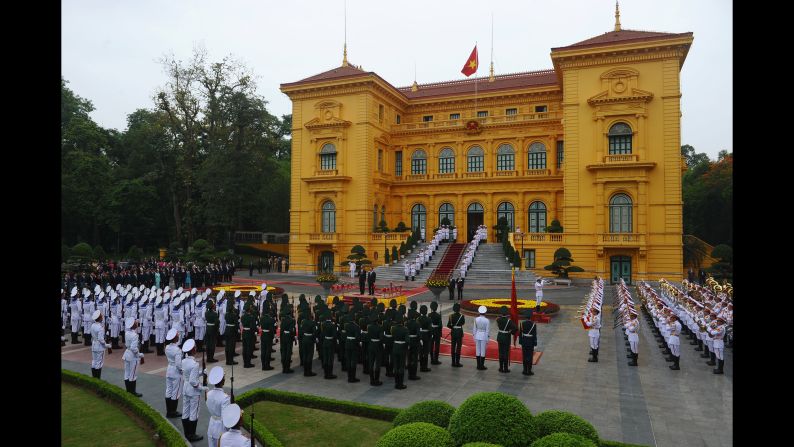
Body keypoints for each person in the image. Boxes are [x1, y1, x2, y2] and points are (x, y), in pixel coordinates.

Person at [180, 338, 207, 442]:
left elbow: (189, 374)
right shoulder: (194, 364)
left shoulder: (184, 361)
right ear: (192, 350)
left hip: (185, 388)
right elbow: (193, 381)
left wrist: (201, 373)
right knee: (194, 413)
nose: (196, 348)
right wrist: (202, 388)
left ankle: (187, 433)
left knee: (185, 411)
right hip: (193, 390)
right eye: (195, 347)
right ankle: (192, 434)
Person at [206, 366, 231, 447]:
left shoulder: (209, 394)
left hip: (211, 425)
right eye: (223, 378)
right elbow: (225, 418)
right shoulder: (225, 398)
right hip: (220, 429)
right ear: (222, 381)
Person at [122, 317, 144, 397]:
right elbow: (134, 348)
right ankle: (132, 392)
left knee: (127, 373)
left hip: (127, 354)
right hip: (132, 356)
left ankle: (128, 391)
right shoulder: (135, 335)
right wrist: (139, 355)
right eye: (135, 322)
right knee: (133, 374)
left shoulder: (127, 333)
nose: (137, 323)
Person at [164, 328, 183, 418]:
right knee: (175, 392)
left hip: (169, 369)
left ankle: (169, 411)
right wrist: (183, 371)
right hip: (175, 371)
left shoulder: (167, 347)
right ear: (175, 338)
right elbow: (179, 365)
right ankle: (173, 412)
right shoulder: (177, 350)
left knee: (169, 390)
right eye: (177, 335)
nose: (178, 336)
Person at [90, 310, 112, 379]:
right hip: (99, 346)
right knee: (99, 363)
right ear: (99, 318)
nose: (102, 317)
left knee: (94, 361)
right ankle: (97, 378)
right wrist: (107, 345)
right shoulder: (100, 327)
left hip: (94, 344)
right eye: (101, 316)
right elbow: (101, 340)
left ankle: (94, 378)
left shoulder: (93, 325)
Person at [495, 306, 517, 373]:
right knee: (506, 353)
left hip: (500, 337)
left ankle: (501, 368)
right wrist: (511, 332)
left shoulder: (498, 319)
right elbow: (516, 328)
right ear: (506, 313)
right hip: (506, 337)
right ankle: (505, 368)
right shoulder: (509, 321)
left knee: (500, 352)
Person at [390, 314, 408, 389]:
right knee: (401, 366)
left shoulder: (393, 328)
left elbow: (392, 337)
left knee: (396, 366)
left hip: (395, 347)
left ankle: (396, 383)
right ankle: (400, 384)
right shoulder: (405, 329)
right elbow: (407, 341)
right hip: (402, 348)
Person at [518, 309, 537, 375]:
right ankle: (529, 370)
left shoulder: (522, 324)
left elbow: (520, 334)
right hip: (531, 341)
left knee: (524, 355)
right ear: (531, 316)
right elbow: (534, 335)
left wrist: (520, 341)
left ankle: (524, 370)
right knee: (530, 356)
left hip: (524, 341)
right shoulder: (533, 324)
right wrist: (535, 343)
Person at [260, 295, 276, 371]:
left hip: (263, 334)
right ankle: (267, 365)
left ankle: (263, 365)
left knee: (263, 350)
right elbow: (272, 328)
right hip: (268, 335)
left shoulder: (262, 318)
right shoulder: (270, 319)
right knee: (268, 350)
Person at [367, 313, 383, 386]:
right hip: (378, 346)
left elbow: (368, 336)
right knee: (377, 364)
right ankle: (376, 380)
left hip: (371, 345)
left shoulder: (369, 327)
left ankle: (371, 380)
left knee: (371, 362)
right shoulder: (380, 327)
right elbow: (381, 338)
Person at [300, 309, 318, 377]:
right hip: (310, 340)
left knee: (305, 355)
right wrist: (314, 339)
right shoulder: (312, 322)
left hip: (304, 339)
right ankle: (309, 371)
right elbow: (315, 332)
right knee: (309, 356)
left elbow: (301, 331)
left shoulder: (303, 322)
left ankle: (305, 371)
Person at [446, 303, 465, 367]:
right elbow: (463, 323)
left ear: (453, 309)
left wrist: (453, 327)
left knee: (453, 347)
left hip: (453, 332)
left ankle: (453, 362)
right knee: (458, 348)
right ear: (459, 309)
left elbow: (448, 325)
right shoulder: (462, 316)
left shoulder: (451, 316)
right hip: (459, 332)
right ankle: (457, 362)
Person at [344, 314, 361, 382]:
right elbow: (357, 338)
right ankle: (352, 377)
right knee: (353, 361)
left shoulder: (346, 325)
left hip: (347, 343)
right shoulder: (356, 327)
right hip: (353, 344)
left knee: (348, 360)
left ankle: (349, 377)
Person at [321, 311, 338, 379]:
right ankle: (329, 374)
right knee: (330, 359)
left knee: (325, 358)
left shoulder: (323, 324)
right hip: (330, 342)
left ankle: (325, 373)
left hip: (325, 341)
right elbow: (334, 335)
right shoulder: (332, 325)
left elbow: (322, 334)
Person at [279, 304, 296, 374]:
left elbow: (281, 330)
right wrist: (293, 338)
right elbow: (292, 330)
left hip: (283, 336)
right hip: (289, 337)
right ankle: (287, 368)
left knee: (284, 352)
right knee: (288, 353)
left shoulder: (283, 320)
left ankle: (283, 368)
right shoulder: (292, 320)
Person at [473, 305, 490, 370]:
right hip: (483, 336)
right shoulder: (487, 320)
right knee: (483, 351)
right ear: (485, 312)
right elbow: (487, 331)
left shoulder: (476, 319)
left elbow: (474, 329)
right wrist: (487, 339)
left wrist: (474, 337)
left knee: (478, 350)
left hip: (477, 335)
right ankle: (482, 365)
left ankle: (478, 365)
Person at [418, 305, 432, 372]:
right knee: (426, 352)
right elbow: (430, 329)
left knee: (421, 352)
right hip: (426, 336)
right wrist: (430, 336)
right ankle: (425, 367)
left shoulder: (418, 319)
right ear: (426, 311)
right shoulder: (428, 319)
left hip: (420, 336)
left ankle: (421, 366)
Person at [204, 299, 219, 363]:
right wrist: (217, 329)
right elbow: (217, 322)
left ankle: (208, 357)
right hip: (213, 329)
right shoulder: (214, 313)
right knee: (212, 344)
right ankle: (211, 358)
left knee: (208, 344)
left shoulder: (206, 313)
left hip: (208, 328)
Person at [428, 301, 442, 365]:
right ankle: (436, 359)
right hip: (436, 331)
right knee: (437, 346)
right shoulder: (438, 315)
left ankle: (431, 359)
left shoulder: (429, 315)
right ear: (436, 308)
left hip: (431, 331)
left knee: (431, 345)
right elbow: (440, 326)